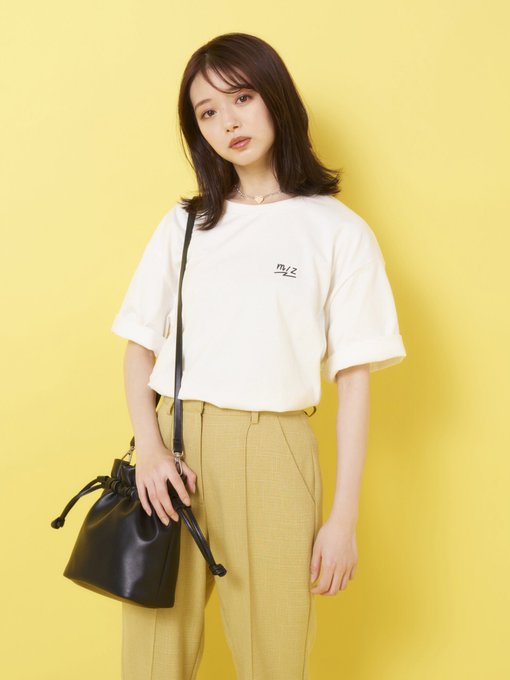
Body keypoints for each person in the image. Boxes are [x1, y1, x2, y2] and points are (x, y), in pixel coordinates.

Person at [111, 32, 407, 680]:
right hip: (175, 449)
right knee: (151, 660)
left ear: (276, 97)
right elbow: (140, 349)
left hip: (275, 452)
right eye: (208, 111)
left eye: (241, 98)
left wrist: (343, 520)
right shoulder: (185, 224)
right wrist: (150, 449)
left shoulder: (338, 231)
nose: (228, 121)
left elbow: (355, 382)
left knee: (274, 658)